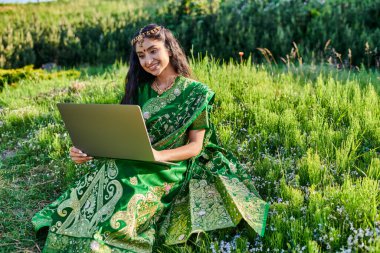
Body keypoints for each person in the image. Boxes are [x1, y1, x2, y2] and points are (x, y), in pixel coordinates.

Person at [32, 24, 269, 252]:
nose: (147, 61)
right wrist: (88, 151)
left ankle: (108, 244)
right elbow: (119, 132)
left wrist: (157, 155)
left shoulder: (196, 93)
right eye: (141, 55)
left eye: (153, 51)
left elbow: (195, 146)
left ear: (169, 49)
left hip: (169, 164)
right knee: (113, 172)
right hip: (133, 157)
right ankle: (81, 235)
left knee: (131, 189)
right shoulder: (140, 88)